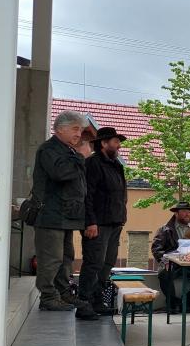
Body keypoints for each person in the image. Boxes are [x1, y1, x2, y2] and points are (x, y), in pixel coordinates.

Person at [32, 111, 97, 320]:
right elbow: (60, 173)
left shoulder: (67, 150)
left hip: (66, 215)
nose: (79, 134)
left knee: (66, 257)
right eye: (75, 129)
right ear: (60, 129)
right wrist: (80, 156)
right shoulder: (49, 149)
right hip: (51, 215)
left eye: (80, 129)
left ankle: (63, 293)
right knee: (51, 258)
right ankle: (48, 297)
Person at [78, 128, 127, 316]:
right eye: (115, 141)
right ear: (104, 143)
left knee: (107, 263)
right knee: (93, 263)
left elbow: (120, 194)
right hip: (98, 223)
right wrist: (90, 222)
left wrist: (122, 217)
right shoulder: (93, 163)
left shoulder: (116, 165)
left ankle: (97, 301)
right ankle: (84, 304)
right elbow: (87, 195)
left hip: (114, 222)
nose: (119, 145)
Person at [151, 201, 190, 313]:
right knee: (164, 274)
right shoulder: (164, 229)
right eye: (184, 211)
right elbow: (156, 249)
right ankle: (172, 304)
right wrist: (166, 259)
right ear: (176, 213)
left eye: (189, 211)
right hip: (173, 263)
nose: (188, 214)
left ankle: (185, 303)